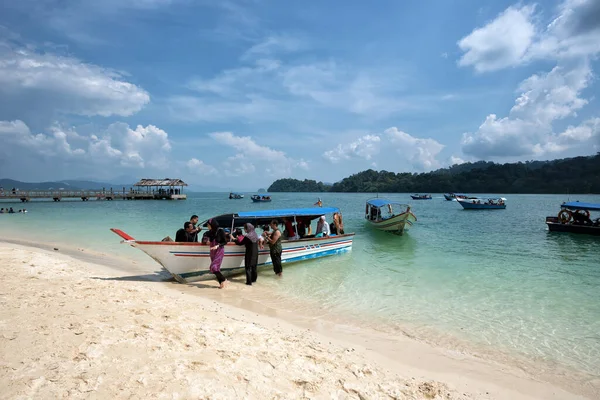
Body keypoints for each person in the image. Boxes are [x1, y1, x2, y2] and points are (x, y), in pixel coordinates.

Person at [206, 218, 228, 288]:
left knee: (213, 267)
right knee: (216, 269)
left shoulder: (220, 231)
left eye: (208, 225)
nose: (207, 226)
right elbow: (205, 237)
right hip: (212, 251)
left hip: (219, 250)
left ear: (212, 225)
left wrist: (217, 245)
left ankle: (224, 279)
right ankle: (221, 283)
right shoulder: (210, 232)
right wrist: (205, 240)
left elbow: (225, 242)